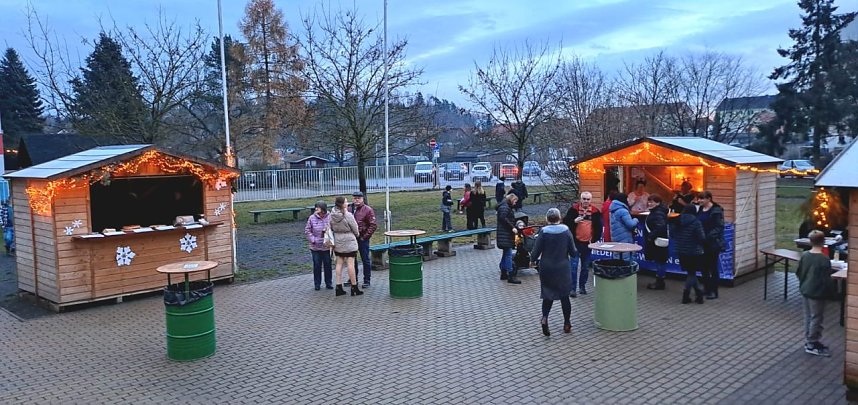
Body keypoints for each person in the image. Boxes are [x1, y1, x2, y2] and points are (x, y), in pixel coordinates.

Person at [530, 208, 577, 336]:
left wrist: (532, 260)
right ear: (559, 218)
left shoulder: (543, 232)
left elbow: (535, 252)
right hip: (562, 267)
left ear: (547, 219)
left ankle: (544, 317)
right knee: (564, 296)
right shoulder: (566, 231)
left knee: (547, 294)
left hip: (547, 268)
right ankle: (567, 323)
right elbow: (573, 252)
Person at [796, 230, 835, 357]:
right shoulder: (824, 259)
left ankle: (809, 340)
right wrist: (831, 293)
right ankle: (812, 342)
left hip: (805, 289)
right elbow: (826, 279)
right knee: (816, 317)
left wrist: (803, 283)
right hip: (817, 293)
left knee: (808, 316)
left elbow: (799, 272)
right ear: (823, 242)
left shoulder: (805, 255)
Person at [563, 191, 602, 296]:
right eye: (584, 199)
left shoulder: (595, 211)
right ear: (580, 199)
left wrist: (593, 241)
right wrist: (574, 221)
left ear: (591, 200)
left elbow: (598, 229)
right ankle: (572, 289)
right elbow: (565, 222)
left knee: (585, 268)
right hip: (575, 244)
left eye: (588, 199)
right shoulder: (574, 209)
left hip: (587, 244)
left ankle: (582, 287)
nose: (586, 201)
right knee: (573, 267)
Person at [330, 196, 364, 296]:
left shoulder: (332, 215)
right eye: (345, 202)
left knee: (339, 263)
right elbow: (355, 227)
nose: (347, 203)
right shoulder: (347, 215)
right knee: (350, 264)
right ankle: (354, 287)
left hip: (338, 240)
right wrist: (357, 235)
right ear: (342, 204)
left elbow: (330, 226)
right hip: (349, 240)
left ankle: (338, 286)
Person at [672, 204, 705, 304]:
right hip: (694, 251)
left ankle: (699, 295)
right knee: (692, 273)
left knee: (691, 273)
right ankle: (686, 296)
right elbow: (701, 237)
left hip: (681, 250)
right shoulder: (696, 222)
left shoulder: (677, 220)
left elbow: (672, 234)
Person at [697, 190, 725, 299]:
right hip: (702, 243)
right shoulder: (700, 209)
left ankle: (714, 291)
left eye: (702, 199)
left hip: (712, 243)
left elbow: (719, 227)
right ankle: (706, 288)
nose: (699, 201)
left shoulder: (716, 211)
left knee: (712, 267)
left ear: (709, 199)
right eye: (699, 198)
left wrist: (708, 237)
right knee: (703, 267)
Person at [349, 191, 377, 288]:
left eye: (358, 198)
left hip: (362, 238)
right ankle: (353, 278)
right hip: (351, 238)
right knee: (352, 259)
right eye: (354, 198)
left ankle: (367, 280)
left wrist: (364, 237)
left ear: (362, 199)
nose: (356, 200)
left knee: (365, 259)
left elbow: (373, 225)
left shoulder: (368, 210)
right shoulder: (349, 208)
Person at [304, 201, 333, 291]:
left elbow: (334, 228)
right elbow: (307, 230)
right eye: (316, 207)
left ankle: (329, 283)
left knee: (328, 264)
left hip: (326, 246)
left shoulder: (330, 217)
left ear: (323, 209)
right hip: (315, 247)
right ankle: (317, 284)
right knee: (317, 265)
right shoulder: (312, 218)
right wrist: (313, 240)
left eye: (318, 207)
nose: (316, 209)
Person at [644, 195, 670, 290]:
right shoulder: (658, 211)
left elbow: (660, 226)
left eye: (652, 202)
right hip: (658, 240)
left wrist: (651, 236)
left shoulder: (658, 213)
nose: (649, 204)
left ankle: (660, 281)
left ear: (658, 203)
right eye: (649, 202)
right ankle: (660, 280)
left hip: (657, 240)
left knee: (660, 261)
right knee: (660, 260)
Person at [496, 193, 521, 284]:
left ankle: (503, 273)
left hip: (504, 234)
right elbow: (503, 218)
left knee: (506, 253)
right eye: (514, 201)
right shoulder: (505, 207)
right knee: (508, 254)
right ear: (511, 199)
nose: (515, 203)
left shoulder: (504, 206)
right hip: (505, 234)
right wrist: (512, 227)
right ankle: (511, 274)